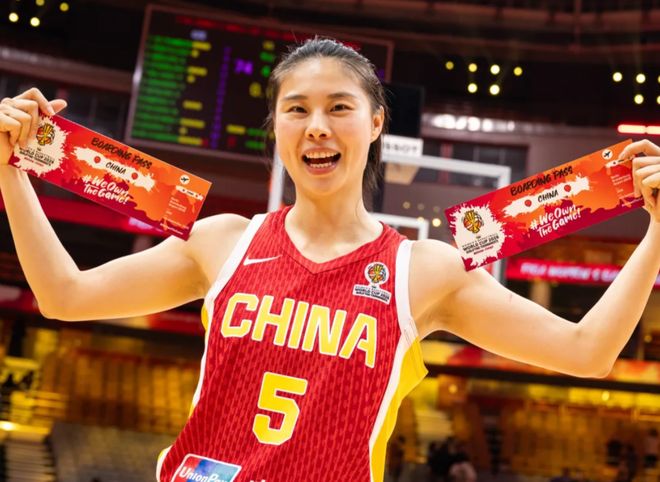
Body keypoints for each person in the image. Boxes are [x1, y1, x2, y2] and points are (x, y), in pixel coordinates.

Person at [1, 38, 660, 482]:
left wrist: (657, 229)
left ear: (376, 123)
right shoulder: (223, 241)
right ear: (277, 129)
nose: (317, 125)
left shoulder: (422, 271)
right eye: (297, 110)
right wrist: (10, 170)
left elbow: (586, 353)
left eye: (340, 107)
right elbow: (65, 296)